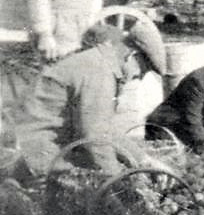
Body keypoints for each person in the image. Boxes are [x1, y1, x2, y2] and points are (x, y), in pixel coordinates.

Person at [14, 19, 165, 178]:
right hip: (37, 151)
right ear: (131, 56)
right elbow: (95, 137)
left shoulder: (99, 61)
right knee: (102, 190)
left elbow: (103, 129)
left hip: (45, 140)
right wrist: (116, 180)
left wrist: (143, 160)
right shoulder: (100, 72)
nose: (138, 78)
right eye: (140, 71)